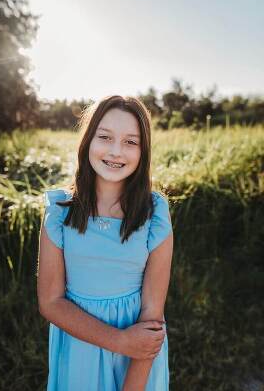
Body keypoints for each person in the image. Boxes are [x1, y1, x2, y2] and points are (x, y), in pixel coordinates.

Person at [37, 96, 173, 390]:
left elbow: (153, 314)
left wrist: (132, 359)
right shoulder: (59, 211)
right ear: (88, 141)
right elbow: (50, 302)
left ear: (143, 150)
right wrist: (119, 341)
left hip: (138, 357)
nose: (115, 151)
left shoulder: (155, 211)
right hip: (79, 348)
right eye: (105, 137)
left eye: (130, 142)